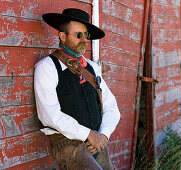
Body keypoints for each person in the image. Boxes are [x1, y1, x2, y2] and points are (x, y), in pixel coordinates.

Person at [34, 8, 120, 170]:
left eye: (85, 35)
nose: (83, 39)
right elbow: (49, 115)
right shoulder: (47, 67)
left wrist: (103, 135)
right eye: (78, 35)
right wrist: (89, 134)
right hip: (67, 142)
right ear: (63, 36)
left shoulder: (93, 68)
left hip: (96, 140)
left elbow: (112, 107)